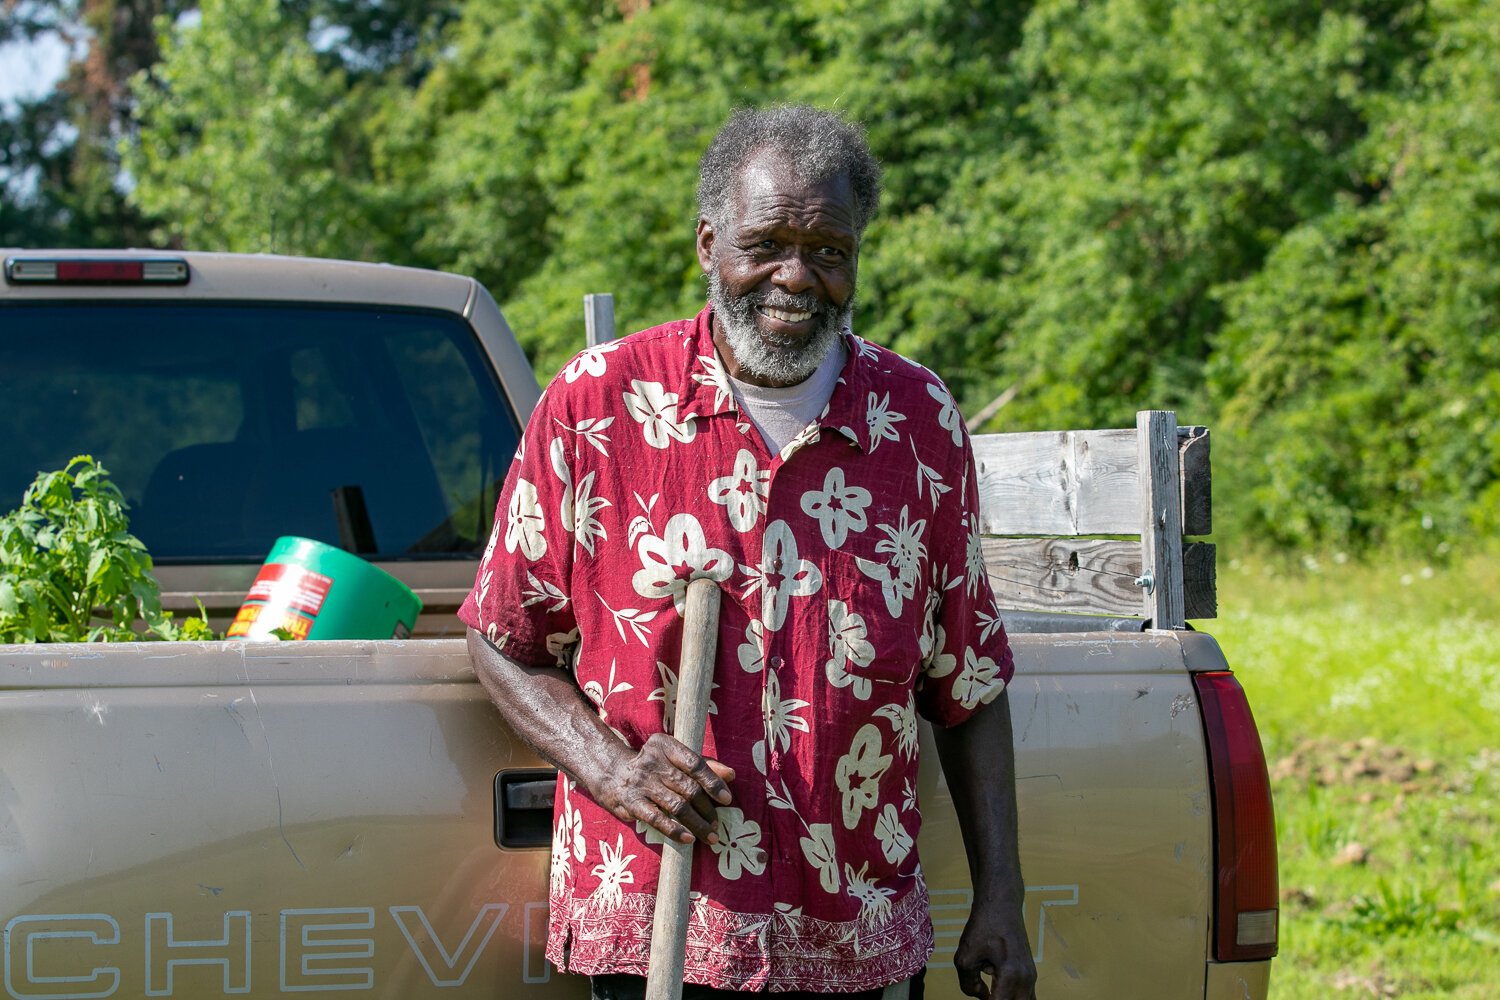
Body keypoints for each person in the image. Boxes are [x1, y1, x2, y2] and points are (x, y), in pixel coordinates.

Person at [461, 105, 1036, 1000]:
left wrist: (1002, 892)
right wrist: (615, 771)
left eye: (829, 251)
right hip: (662, 921)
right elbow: (502, 636)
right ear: (707, 242)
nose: (795, 277)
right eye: (766, 242)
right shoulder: (596, 405)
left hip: (859, 929)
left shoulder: (916, 420)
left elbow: (966, 682)